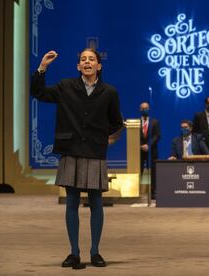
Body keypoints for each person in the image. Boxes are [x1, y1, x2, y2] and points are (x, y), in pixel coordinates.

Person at [31, 48, 124, 269]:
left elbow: (116, 122)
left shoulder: (109, 92)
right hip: (70, 150)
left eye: (91, 59)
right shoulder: (65, 87)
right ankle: (74, 253)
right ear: (78, 66)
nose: (87, 62)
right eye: (83, 59)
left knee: (96, 203)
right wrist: (43, 67)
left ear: (99, 66)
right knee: (71, 203)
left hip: (94, 152)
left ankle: (95, 252)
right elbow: (39, 92)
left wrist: (100, 136)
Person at [139, 102, 160, 198]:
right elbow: (133, 137)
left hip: (151, 151)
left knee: (153, 172)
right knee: (139, 171)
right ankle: (138, 192)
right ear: (140, 110)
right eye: (143, 108)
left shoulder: (155, 122)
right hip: (139, 152)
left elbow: (157, 136)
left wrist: (148, 145)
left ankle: (153, 193)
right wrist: (140, 146)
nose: (145, 110)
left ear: (149, 109)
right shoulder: (136, 122)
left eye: (146, 108)